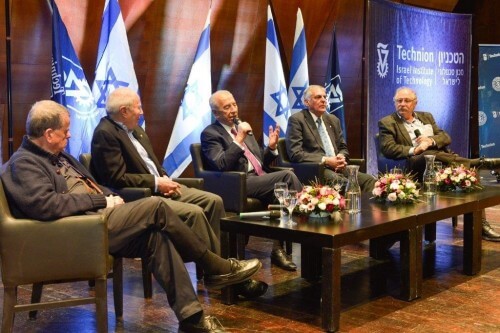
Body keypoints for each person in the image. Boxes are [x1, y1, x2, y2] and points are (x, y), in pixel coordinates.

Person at [0, 100, 263, 332]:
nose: (69, 135)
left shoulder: (58, 155)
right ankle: (214, 266)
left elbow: (92, 184)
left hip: (99, 220)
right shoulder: (23, 164)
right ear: (48, 134)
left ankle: (191, 318)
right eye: (65, 131)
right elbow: (46, 206)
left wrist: (110, 199)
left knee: (155, 238)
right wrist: (102, 200)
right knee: (156, 207)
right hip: (76, 234)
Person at [91, 87, 267, 299]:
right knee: (194, 212)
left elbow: (152, 165)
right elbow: (115, 178)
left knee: (213, 201)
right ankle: (224, 273)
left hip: (162, 186)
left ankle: (220, 270)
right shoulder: (105, 134)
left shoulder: (136, 130)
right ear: (124, 111)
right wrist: (157, 183)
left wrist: (165, 180)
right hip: (141, 197)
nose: (141, 111)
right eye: (138, 107)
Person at [378, 86, 500, 242]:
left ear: (415, 103)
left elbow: (445, 137)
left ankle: (481, 226)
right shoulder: (387, 122)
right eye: (399, 101)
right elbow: (388, 148)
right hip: (412, 163)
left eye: (407, 100)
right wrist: (415, 149)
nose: (402, 104)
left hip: (438, 161)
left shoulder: (426, 117)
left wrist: (430, 140)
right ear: (394, 103)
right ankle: (477, 163)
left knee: (466, 174)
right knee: (431, 156)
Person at [201, 90, 302, 272]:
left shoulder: (242, 128)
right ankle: (305, 222)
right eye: (227, 107)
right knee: (286, 177)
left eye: (234, 104)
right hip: (236, 184)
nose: (233, 110)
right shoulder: (210, 134)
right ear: (216, 113)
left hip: (258, 179)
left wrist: (271, 149)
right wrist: (238, 139)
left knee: (279, 189)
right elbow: (221, 164)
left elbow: (257, 162)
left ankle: (277, 249)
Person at [286, 85, 376, 192]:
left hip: (338, 167)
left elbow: (343, 147)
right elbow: (295, 154)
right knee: (344, 183)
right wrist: (326, 161)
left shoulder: (333, 120)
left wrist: (341, 156)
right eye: (318, 97)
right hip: (316, 169)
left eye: (325, 97)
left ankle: (365, 208)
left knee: (368, 180)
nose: (323, 100)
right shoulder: (297, 120)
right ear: (306, 102)